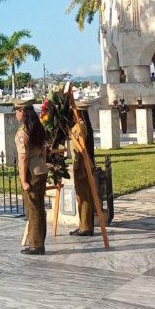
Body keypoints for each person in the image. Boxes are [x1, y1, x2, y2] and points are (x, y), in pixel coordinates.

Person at [14, 98, 48, 255]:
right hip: (41, 170)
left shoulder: (23, 132)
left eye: (17, 111)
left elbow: (23, 158)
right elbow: (44, 150)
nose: (15, 114)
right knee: (40, 208)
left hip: (31, 173)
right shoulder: (38, 128)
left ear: (23, 112)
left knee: (33, 209)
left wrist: (24, 180)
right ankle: (40, 241)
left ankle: (36, 245)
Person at [70, 101, 96, 237]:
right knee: (84, 195)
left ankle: (85, 226)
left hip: (82, 165)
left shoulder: (79, 127)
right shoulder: (84, 126)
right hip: (84, 165)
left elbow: (80, 150)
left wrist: (79, 168)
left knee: (83, 196)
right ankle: (84, 224)